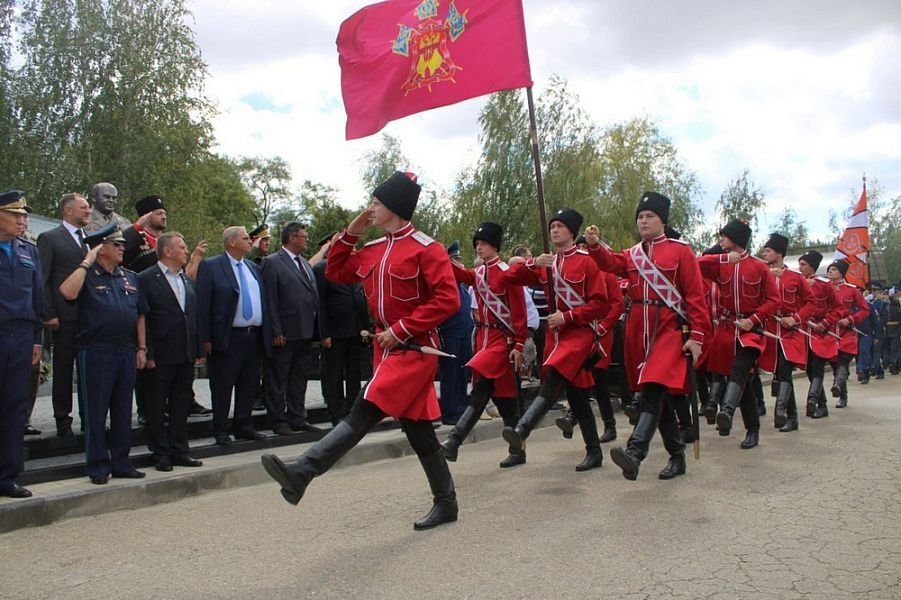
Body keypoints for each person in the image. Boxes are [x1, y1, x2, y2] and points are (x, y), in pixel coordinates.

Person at [261, 171, 462, 531]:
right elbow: (334, 270)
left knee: (363, 408)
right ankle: (446, 502)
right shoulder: (371, 249)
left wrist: (401, 330)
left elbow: (448, 300)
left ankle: (302, 472)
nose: (371, 208)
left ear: (396, 208)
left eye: (377, 203)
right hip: (387, 350)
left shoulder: (426, 248)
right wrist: (351, 231)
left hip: (415, 349)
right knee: (419, 431)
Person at [586, 192, 709, 480]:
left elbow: (695, 296)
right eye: (640, 216)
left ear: (662, 221)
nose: (643, 220)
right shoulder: (634, 253)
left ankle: (635, 451)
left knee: (654, 386)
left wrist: (698, 335)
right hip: (638, 329)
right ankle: (677, 456)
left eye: (649, 216)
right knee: (657, 395)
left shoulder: (681, 251)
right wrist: (594, 246)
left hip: (668, 327)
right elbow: (612, 263)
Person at [498, 208, 609, 471]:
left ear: (571, 232)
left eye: (560, 226)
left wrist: (569, 316)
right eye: (552, 227)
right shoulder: (546, 262)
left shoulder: (587, 261)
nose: (554, 230)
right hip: (555, 336)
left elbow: (601, 305)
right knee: (578, 395)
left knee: (554, 378)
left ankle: (523, 428)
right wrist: (532, 264)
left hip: (579, 333)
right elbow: (506, 279)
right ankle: (594, 452)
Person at [59, 223, 147, 484]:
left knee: (122, 410)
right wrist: (86, 263)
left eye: (122, 244)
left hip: (125, 350)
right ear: (100, 249)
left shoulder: (129, 277)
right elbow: (66, 292)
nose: (122, 248)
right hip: (96, 350)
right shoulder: (87, 275)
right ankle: (98, 466)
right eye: (116, 244)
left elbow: (140, 314)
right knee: (97, 411)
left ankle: (121, 462)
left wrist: (141, 347)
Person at [441, 222, 529, 468]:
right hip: (484, 340)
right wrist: (438, 256)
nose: (479, 248)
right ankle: (518, 449)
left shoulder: (507, 273)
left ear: (495, 246)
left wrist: (519, 344)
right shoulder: (479, 273)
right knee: (504, 399)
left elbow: (519, 313)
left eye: (484, 243)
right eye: (477, 244)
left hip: (502, 340)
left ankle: (454, 440)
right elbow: (460, 273)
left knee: (482, 390)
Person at [698, 219, 779, 450]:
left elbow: (773, 300)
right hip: (725, 330)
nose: (720, 240)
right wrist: (721, 257)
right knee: (743, 383)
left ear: (736, 239)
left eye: (724, 236)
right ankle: (752, 429)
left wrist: (753, 320)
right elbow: (695, 263)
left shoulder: (759, 266)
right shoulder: (720, 263)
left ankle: (726, 410)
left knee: (741, 370)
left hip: (750, 331)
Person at [196, 226, 271, 445]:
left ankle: (244, 425)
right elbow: (203, 305)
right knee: (222, 385)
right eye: (246, 238)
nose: (251, 241)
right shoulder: (211, 266)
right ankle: (220, 428)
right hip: (227, 337)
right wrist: (205, 339)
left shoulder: (252, 268)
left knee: (248, 383)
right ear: (231, 242)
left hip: (252, 336)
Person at [138, 232, 203, 471]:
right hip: (160, 356)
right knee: (155, 406)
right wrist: (149, 353)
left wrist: (196, 348)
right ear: (167, 251)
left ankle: (180, 450)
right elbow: (144, 318)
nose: (186, 251)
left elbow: (191, 315)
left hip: (184, 353)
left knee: (181, 405)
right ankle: (160, 453)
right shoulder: (146, 278)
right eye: (182, 247)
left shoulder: (185, 279)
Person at [0, 190, 43, 498]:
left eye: (23, 215)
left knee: (15, 408)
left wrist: (38, 339)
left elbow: (38, 298)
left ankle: (8, 476)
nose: (21, 220)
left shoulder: (29, 251)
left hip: (22, 335)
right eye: (15, 214)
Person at [261, 222, 323, 435]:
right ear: (292, 237)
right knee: (278, 378)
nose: (306, 239)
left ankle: (297, 416)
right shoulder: (272, 262)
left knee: (299, 377)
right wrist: (276, 330)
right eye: (304, 236)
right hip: (285, 332)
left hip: (305, 331)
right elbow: (270, 299)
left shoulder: (304, 263)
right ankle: (278, 419)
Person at [37, 192, 90, 437]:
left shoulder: (88, 239)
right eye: (84, 207)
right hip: (64, 315)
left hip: (89, 316)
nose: (88, 211)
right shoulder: (50, 238)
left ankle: (89, 417)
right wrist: (48, 312)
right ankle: (62, 420)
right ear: (68, 211)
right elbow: (43, 278)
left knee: (89, 369)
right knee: (63, 368)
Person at [758, 233, 814, 432]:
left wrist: (795, 318)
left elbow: (811, 304)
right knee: (780, 372)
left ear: (779, 254)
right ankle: (791, 417)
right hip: (771, 331)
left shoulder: (796, 278)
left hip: (791, 331)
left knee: (784, 369)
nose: (765, 254)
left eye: (768, 251)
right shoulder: (762, 274)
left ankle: (781, 412)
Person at [313, 236, 369, 425]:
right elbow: (320, 304)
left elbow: (362, 298)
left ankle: (353, 412)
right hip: (334, 333)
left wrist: (365, 329)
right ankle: (336, 413)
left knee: (354, 374)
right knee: (333, 374)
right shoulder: (323, 268)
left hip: (355, 331)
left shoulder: (356, 268)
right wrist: (323, 333)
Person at [797, 251, 840, 419]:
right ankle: (821, 405)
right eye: (799, 264)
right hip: (804, 332)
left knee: (817, 367)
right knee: (809, 369)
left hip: (821, 333)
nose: (800, 268)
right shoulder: (798, 283)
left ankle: (813, 400)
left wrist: (826, 322)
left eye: (803, 265)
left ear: (812, 267)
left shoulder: (825, 284)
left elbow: (839, 308)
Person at [435, 241, 473, 425]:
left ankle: (460, 407)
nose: (460, 263)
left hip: (464, 334)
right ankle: (451, 411)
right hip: (450, 334)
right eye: (456, 259)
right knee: (450, 374)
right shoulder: (446, 284)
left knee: (462, 373)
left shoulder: (461, 286)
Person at [824, 260, 869, 409]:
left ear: (841, 273)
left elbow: (864, 309)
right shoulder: (823, 288)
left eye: (834, 269)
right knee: (835, 363)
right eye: (829, 269)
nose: (830, 272)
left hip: (846, 332)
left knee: (844, 359)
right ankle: (842, 393)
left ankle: (838, 387)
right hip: (829, 331)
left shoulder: (852, 290)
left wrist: (850, 319)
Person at [122, 195, 166, 273]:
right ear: (146, 216)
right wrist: (136, 227)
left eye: (164, 214)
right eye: (159, 214)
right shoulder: (134, 239)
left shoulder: (167, 241)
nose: (163, 217)